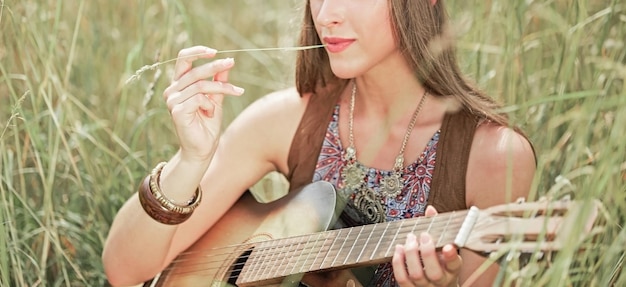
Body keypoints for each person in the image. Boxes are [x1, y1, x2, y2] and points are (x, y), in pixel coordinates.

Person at [102, 0, 536, 286]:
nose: (326, 13)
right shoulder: (284, 119)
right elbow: (123, 269)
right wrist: (191, 160)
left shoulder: (495, 158)